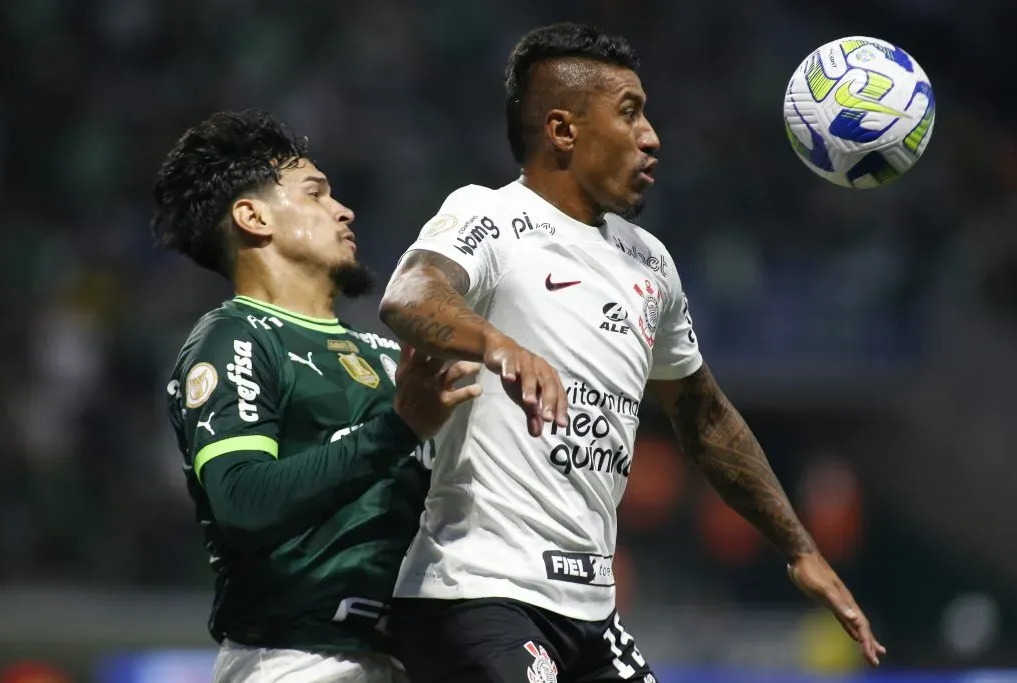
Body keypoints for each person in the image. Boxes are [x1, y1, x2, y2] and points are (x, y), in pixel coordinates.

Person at [379, 23, 886, 683]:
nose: (652, 136)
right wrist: (499, 345)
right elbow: (410, 294)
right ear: (563, 130)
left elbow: (704, 417)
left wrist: (800, 549)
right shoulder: (491, 216)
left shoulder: (651, 263)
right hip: (476, 590)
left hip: (590, 613)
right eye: (629, 113)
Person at [153, 109, 482, 683]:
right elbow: (243, 501)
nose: (344, 209)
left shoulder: (385, 355)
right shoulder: (236, 337)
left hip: (404, 661)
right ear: (253, 217)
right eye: (316, 193)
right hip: (296, 659)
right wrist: (397, 430)